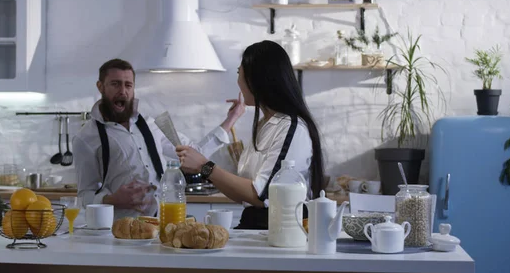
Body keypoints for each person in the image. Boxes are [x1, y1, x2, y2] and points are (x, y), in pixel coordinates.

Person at [176, 40, 326, 230]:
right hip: (256, 226)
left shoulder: (290, 127)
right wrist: (204, 170)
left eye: (240, 74)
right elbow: (242, 194)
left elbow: (261, 194)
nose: (238, 81)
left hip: (278, 230)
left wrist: (204, 166)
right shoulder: (265, 124)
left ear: (257, 79)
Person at [73, 58, 244, 220]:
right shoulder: (86, 138)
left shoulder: (151, 125)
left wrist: (232, 118)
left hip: (165, 222)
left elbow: (194, 153)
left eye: (128, 85)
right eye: (115, 84)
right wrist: (111, 199)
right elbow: (84, 196)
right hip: (121, 230)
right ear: (100, 86)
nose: (123, 91)